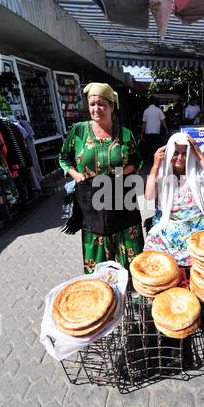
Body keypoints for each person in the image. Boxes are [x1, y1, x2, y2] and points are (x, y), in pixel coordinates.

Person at [59, 82, 144, 274]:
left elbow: (137, 160)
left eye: (102, 104)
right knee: (97, 259)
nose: (96, 109)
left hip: (122, 197)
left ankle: (132, 293)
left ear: (112, 106)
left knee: (131, 255)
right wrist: (76, 175)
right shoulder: (78, 131)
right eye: (92, 104)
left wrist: (123, 173)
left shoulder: (125, 134)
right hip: (91, 200)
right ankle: (102, 296)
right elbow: (64, 157)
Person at [143, 132, 204, 267]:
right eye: (175, 153)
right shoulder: (162, 172)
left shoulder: (198, 172)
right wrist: (156, 165)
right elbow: (149, 195)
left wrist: (198, 154)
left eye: (185, 153)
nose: (179, 158)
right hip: (168, 223)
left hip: (197, 223)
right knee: (154, 258)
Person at [141, 97, 168, 162]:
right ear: (155, 102)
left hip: (148, 132)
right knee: (156, 147)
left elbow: (144, 123)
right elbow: (163, 121)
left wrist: (142, 133)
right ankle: (155, 160)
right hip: (156, 132)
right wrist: (166, 129)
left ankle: (149, 160)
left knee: (149, 147)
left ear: (149, 102)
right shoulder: (159, 110)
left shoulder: (146, 111)